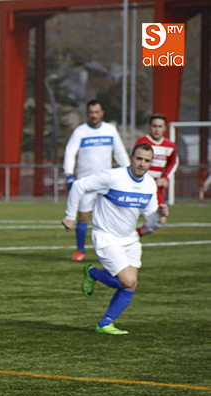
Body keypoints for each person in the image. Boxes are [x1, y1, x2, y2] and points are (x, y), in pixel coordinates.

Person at [62, 143, 169, 335]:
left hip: (130, 240)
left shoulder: (149, 184)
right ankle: (93, 273)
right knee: (127, 280)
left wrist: (159, 214)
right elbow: (79, 186)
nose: (142, 163)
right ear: (131, 157)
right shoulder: (112, 177)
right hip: (106, 238)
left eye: (146, 160)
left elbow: (150, 216)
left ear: (151, 163)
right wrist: (70, 215)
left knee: (131, 284)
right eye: (139, 158)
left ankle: (105, 323)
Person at [62, 100, 130, 261]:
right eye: (91, 112)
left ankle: (114, 251)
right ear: (87, 113)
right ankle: (80, 251)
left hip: (107, 182)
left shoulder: (110, 130)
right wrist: (68, 174)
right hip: (86, 182)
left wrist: (128, 172)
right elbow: (70, 152)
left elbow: (119, 152)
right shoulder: (80, 131)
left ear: (102, 113)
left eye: (96, 112)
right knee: (84, 216)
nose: (94, 115)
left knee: (111, 216)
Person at [132, 114, 177, 236]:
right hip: (140, 187)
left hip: (156, 189)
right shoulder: (142, 143)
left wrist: (165, 177)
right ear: (149, 127)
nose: (157, 129)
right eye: (154, 126)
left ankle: (135, 235)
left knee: (161, 219)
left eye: (160, 126)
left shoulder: (170, 146)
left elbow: (173, 161)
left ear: (165, 128)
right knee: (130, 215)